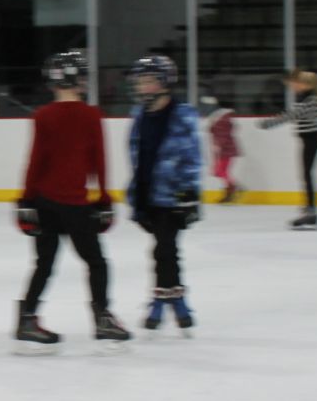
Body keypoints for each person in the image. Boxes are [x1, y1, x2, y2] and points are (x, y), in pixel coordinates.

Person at [12, 49, 128, 350]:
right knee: (96, 262)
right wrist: (103, 198)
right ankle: (102, 317)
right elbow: (98, 162)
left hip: (43, 202)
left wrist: (25, 200)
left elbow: (35, 161)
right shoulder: (91, 115)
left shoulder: (42, 116)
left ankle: (27, 318)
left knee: (44, 263)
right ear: (77, 80)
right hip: (75, 204)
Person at [126, 54, 202, 334]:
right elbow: (136, 154)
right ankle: (173, 296)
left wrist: (189, 194)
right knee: (164, 250)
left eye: (150, 81)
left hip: (174, 196)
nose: (144, 87)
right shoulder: (139, 114)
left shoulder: (183, 114)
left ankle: (167, 300)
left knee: (164, 249)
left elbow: (193, 156)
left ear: (165, 83)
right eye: (141, 81)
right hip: (147, 194)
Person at [259, 69, 317, 229]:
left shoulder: (310, 99)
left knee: (307, 175)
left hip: (313, 138)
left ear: (304, 84)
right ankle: (310, 211)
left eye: (295, 84)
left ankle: (311, 212)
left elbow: (292, 115)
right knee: (306, 174)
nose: (292, 87)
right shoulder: (306, 97)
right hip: (310, 138)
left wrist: (269, 123)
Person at [199, 93, 242, 203]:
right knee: (219, 171)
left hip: (225, 150)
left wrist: (219, 145)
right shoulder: (220, 117)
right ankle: (230, 191)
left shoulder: (223, 118)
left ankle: (233, 187)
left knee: (220, 171)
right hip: (223, 149)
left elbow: (223, 134)